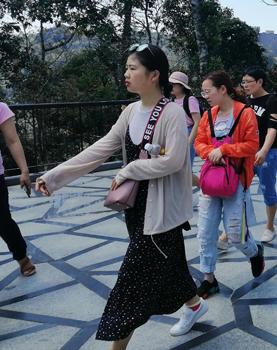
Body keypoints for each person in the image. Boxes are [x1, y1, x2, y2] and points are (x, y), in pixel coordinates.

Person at [35, 44, 207, 347]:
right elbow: (101, 148)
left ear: (154, 75)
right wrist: (54, 177)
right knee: (171, 266)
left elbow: (175, 161)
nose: (126, 73)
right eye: (126, 68)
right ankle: (195, 305)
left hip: (162, 213)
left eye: (132, 68)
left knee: (130, 286)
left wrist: (128, 170)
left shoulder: (172, 113)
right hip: (135, 209)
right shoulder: (130, 112)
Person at [194, 71, 265, 300]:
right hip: (211, 181)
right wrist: (211, 153)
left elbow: (252, 145)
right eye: (203, 92)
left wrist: (223, 150)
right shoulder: (208, 116)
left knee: (235, 235)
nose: (205, 96)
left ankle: (255, 253)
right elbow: (199, 143)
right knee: (205, 232)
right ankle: (209, 280)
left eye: (208, 91)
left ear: (222, 89)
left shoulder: (245, 113)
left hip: (236, 182)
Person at [218, 67, 277, 247]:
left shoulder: (271, 101)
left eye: (249, 81)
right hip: (245, 152)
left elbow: (273, 129)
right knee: (238, 190)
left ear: (260, 82)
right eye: (243, 82)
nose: (245, 85)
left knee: (268, 190)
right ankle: (227, 233)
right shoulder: (244, 101)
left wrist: (263, 150)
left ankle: (270, 227)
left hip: (266, 153)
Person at [0, 102, 35, 277]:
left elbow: (12, 140)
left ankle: (21, 257)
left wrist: (24, 170)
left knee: (3, 221)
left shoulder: (0, 108)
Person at [169, 72, 202, 187]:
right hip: (175, 134)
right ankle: (202, 185)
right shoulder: (171, 101)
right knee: (177, 168)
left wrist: (189, 141)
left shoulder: (190, 100)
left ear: (181, 86)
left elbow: (197, 121)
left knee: (185, 169)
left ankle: (202, 185)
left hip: (188, 133)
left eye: (174, 84)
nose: (171, 86)